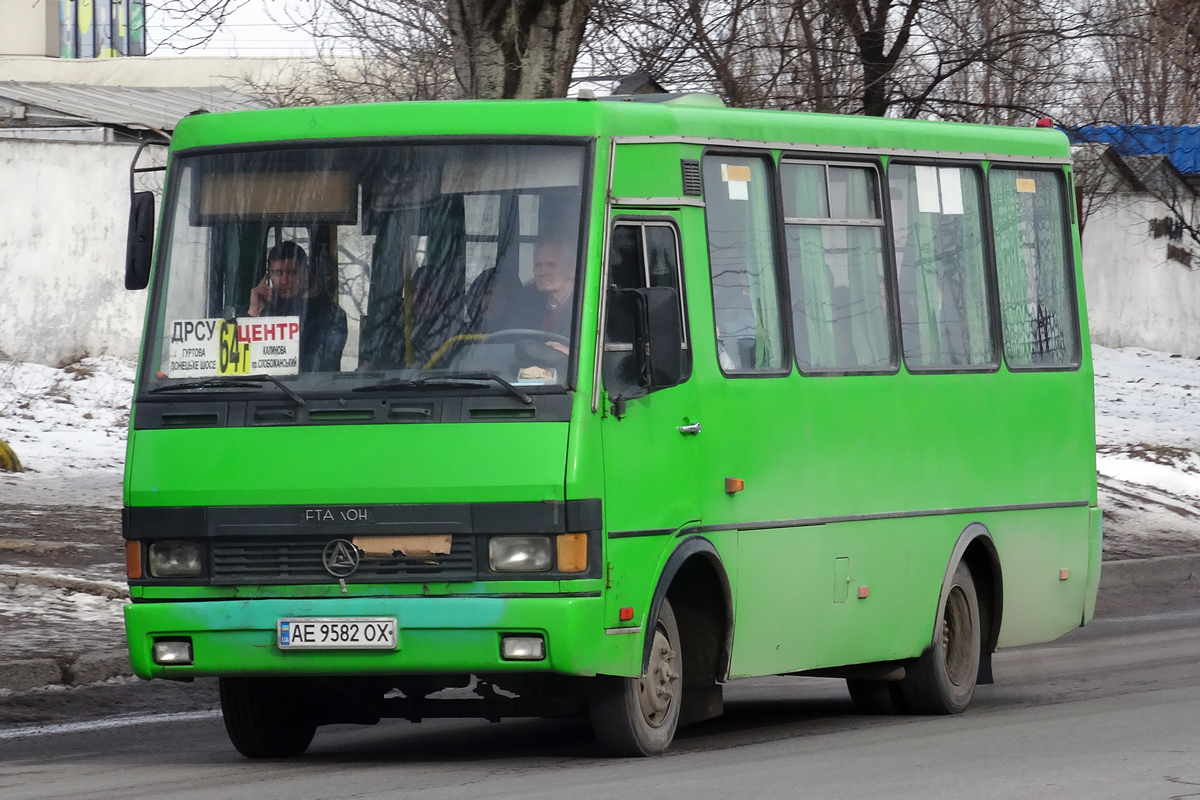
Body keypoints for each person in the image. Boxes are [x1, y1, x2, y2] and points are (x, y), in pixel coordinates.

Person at [247, 241, 347, 372]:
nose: (284, 280)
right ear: (268, 276)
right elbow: (240, 359)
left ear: (305, 273)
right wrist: (253, 313)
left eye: (292, 272)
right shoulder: (264, 312)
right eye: (277, 272)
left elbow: (319, 366)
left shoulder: (331, 315)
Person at [527, 239, 575, 353]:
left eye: (551, 265)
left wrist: (571, 354)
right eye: (538, 265)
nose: (542, 272)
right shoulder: (527, 302)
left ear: (572, 269)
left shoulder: (589, 306)